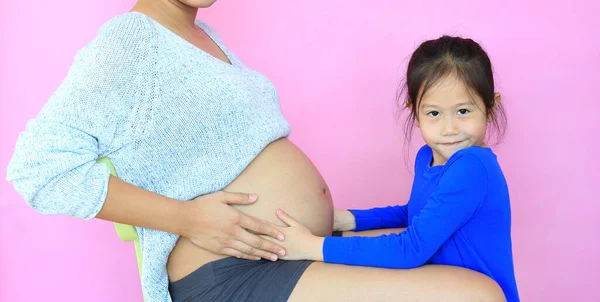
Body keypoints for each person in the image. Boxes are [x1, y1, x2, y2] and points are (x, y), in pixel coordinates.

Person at [6, 0, 506, 301]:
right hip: (230, 276)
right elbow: (39, 169)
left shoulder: (204, 36)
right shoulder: (129, 42)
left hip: (279, 258)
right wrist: (187, 219)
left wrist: (335, 218)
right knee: (476, 296)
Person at [267, 36, 520, 301]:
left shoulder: (472, 167)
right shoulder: (428, 157)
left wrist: (314, 247)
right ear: (414, 111)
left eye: (463, 111)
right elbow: (414, 212)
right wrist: (351, 219)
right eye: (434, 113)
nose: (450, 129)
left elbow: (411, 248)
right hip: (438, 286)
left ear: (491, 107)